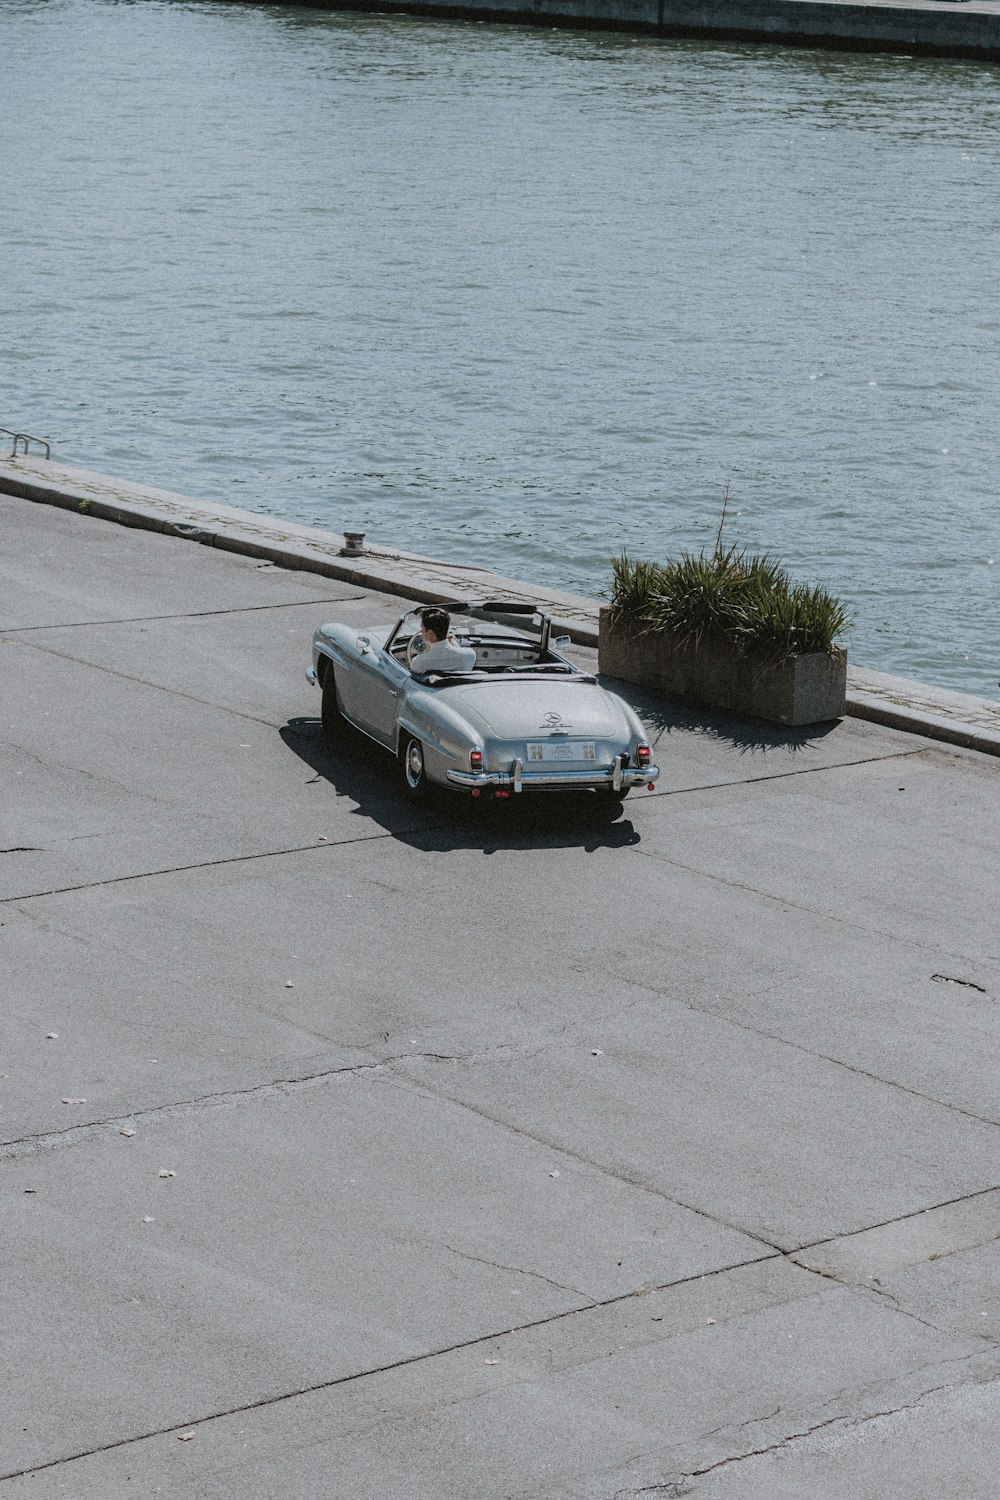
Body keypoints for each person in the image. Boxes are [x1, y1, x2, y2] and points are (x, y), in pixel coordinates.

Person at [410, 607, 477, 673]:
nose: (421, 632)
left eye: (422, 629)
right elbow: (459, 654)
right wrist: (455, 644)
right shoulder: (470, 655)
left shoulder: (418, 662)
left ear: (430, 633)